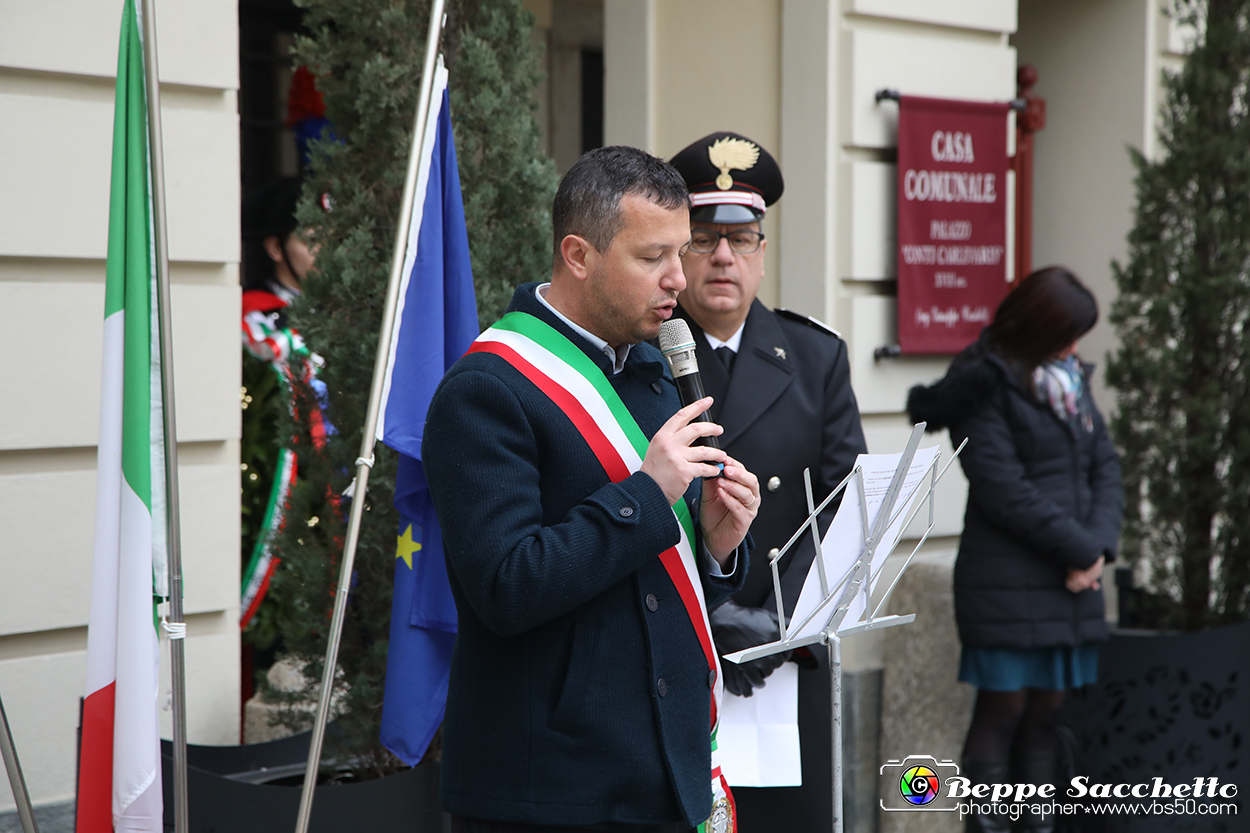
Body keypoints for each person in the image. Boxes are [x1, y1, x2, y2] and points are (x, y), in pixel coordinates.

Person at [421, 146, 762, 832]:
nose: (679, 279)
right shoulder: (487, 389)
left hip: (661, 771)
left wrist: (715, 548)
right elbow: (507, 586)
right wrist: (649, 489)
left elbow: (657, 586)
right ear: (578, 254)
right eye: (652, 257)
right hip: (551, 790)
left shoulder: (653, 366)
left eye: (682, 252)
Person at [666, 132, 867, 831]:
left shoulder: (815, 357)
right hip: (676, 651)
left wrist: (781, 625)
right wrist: (711, 613)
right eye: (702, 237)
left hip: (789, 657)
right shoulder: (640, 358)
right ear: (678, 249)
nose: (723, 256)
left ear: (761, 250)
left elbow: (845, 510)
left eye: (741, 238)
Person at [906, 267, 1123, 833]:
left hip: (1070, 580)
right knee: (1002, 713)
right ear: (1038, 326)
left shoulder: (1070, 378)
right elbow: (1003, 490)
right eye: (1068, 332)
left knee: (1047, 719)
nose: (1076, 347)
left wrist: (1096, 550)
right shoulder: (982, 382)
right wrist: (1081, 551)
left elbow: (1104, 465)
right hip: (1005, 582)